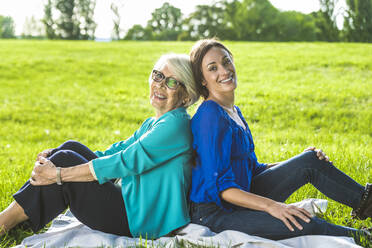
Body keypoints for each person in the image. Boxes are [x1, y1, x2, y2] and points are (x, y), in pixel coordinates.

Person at [188, 38, 371, 242]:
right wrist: (273, 206)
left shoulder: (233, 111)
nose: (224, 71)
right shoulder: (209, 116)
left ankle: (369, 204)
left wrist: (301, 160)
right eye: (213, 68)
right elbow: (222, 189)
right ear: (203, 79)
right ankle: (365, 237)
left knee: (311, 160)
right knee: (300, 220)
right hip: (216, 213)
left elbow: (253, 169)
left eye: (226, 61)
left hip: (243, 192)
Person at [0, 53, 200, 239]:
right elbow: (119, 150)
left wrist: (60, 172)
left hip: (141, 221)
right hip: (133, 205)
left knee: (66, 160)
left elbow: (126, 161)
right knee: (71, 149)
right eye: (157, 76)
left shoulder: (176, 124)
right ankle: (17, 223)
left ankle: (4, 223)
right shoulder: (156, 122)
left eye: (172, 82)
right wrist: (56, 155)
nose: (160, 85)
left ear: (186, 96)